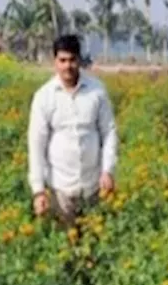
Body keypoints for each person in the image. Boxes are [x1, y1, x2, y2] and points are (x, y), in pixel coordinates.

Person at [27, 34, 118, 229]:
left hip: (94, 187)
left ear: (79, 60)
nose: (67, 66)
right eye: (62, 60)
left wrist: (107, 170)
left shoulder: (96, 91)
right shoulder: (44, 97)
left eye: (72, 60)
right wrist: (39, 190)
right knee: (66, 246)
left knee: (96, 243)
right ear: (55, 62)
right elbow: (36, 146)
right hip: (61, 189)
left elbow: (108, 132)